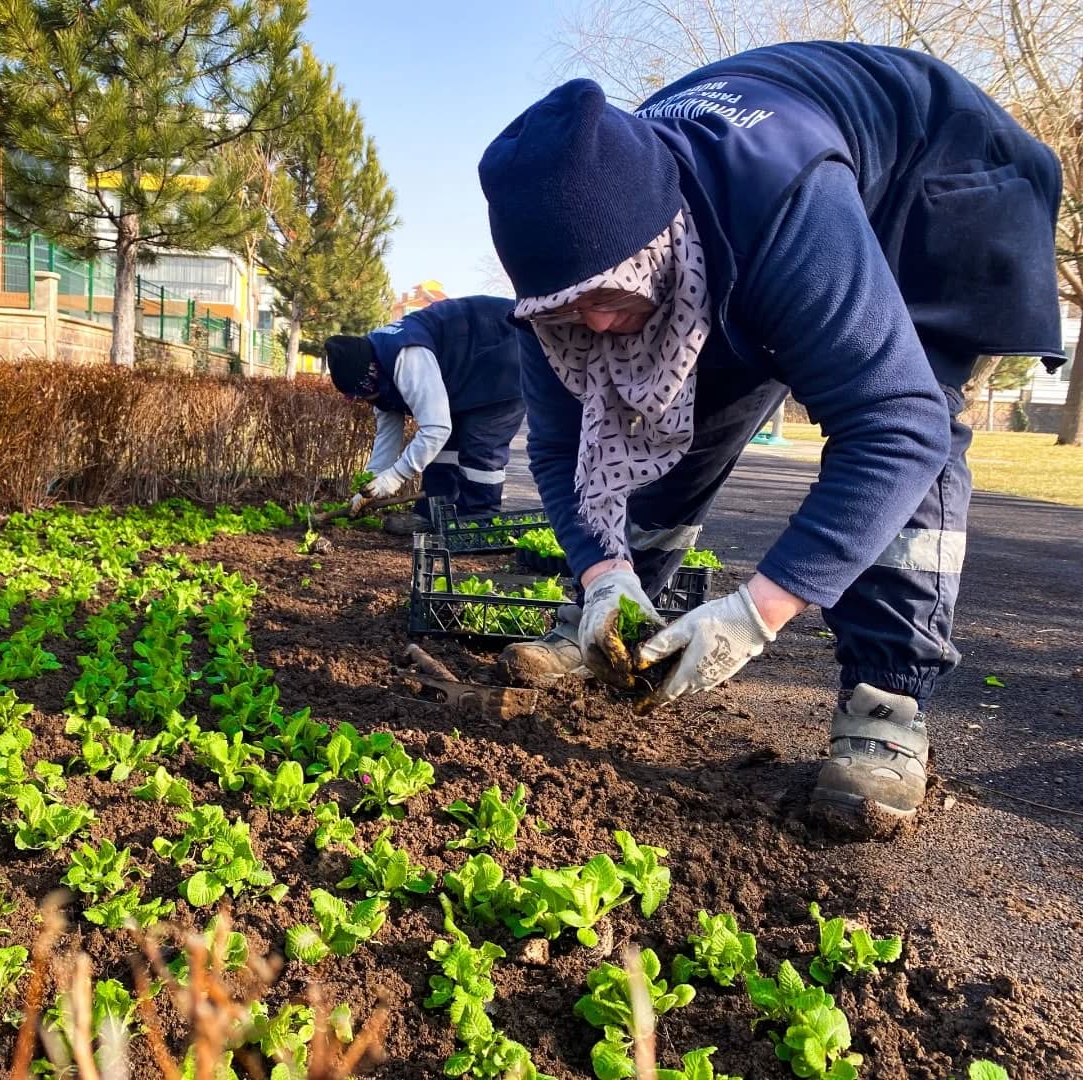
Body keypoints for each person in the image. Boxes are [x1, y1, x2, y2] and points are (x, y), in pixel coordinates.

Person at [476, 42, 1065, 827]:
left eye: (606, 295)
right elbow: (559, 446)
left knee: (910, 402)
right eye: (565, 308)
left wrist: (757, 611)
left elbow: (897, 426)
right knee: (661, 416)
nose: (592, 322)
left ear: (661, 244)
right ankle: (618, 630)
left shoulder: (781, 208)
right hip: (748, 219)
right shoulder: (560, 290)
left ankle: (884, 705)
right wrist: (602, 576)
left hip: (931, 180)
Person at [326, 296, 538, 533]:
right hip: (463, 375)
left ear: (369, 377)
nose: (363, 401)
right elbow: (388, 432)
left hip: (502, 356)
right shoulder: (375, 365)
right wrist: (370, 485)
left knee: (481, 448)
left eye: (361, 394)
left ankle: (478, 523)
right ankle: (434, 516)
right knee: (444, 451)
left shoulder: (406, 356)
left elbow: (436, 428)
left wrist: (394, 478)